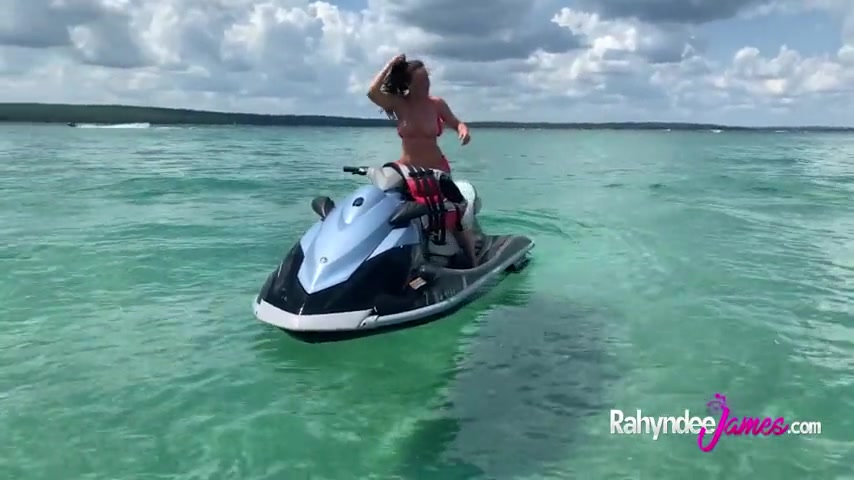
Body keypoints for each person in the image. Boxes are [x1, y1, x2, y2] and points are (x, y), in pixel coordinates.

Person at [366, 54, 479, 267]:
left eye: (427, 80)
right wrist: (390, 64)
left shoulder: (436, 104)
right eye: (420, 81)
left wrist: (463, 131)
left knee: (456, 214)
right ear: (408, 84)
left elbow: (456, 122)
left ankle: (473, 261)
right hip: (407, 170)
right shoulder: (399, 103)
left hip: (437, 169)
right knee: (393, 208)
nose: (426, 84)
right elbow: (372, 92)